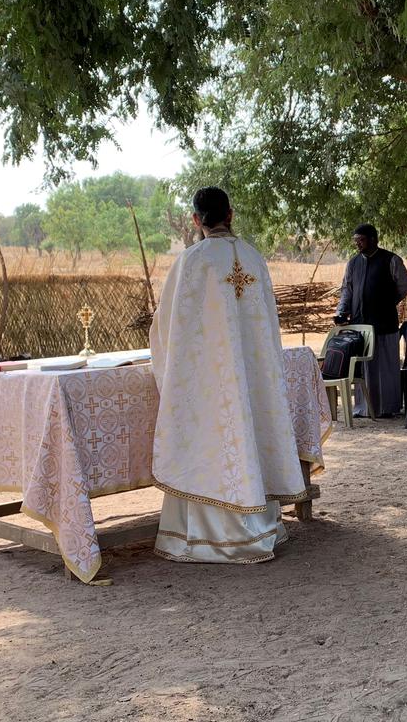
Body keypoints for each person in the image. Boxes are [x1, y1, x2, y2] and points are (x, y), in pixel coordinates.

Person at [150, 186, 309, 563]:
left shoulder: (192, 261)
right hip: (253, 379)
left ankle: (206, 536)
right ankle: (261, 525)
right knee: (248, 434)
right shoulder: (254, 259)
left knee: (209, 441)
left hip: (209, 382)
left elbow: (168, 326)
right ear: (230, 214)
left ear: (195, 219)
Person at [335, 223, 407, 418]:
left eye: (361, 240)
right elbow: (347, 290)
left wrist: (389, 301)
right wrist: (342, 311)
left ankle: (387, 408)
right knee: (364, 367)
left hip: (385, 323)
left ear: (373, 240)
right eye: (356, 241)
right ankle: (363, 408)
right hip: (360, 324)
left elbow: (405, 285)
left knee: (385, 367)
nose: (358, 245)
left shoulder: (391, 260)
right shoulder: (353, 263)